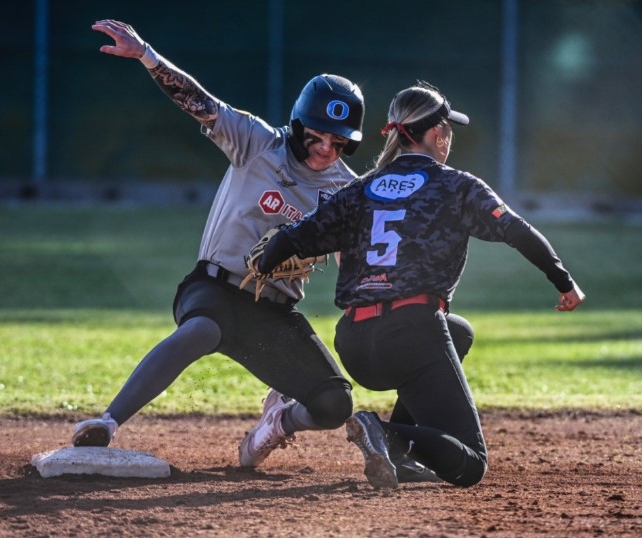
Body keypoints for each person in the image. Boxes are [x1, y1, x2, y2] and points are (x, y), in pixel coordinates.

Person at [250, 81, 586, 489]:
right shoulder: (456, 186)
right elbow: (519, 231)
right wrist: (564, 282)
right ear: (438, 134)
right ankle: (383, 432)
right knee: (471, 463)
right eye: (448, 129)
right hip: (412, 334)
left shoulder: (359, 189)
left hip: (356, 343)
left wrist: (263, 265)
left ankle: (398, 455)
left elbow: (288, 240)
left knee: (459, 332)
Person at [72, 19, 366, 470]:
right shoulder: (258, 143)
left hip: (274, 313)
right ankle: (107, 423)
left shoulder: (347, 189)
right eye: (317, 134)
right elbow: (201, 104)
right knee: (203, 330)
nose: (326, 147)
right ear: (298, 125)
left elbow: (352, 261)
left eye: (338, 141)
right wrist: (147, 55)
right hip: (213, 288)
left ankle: (278, 423)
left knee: (334, 404)